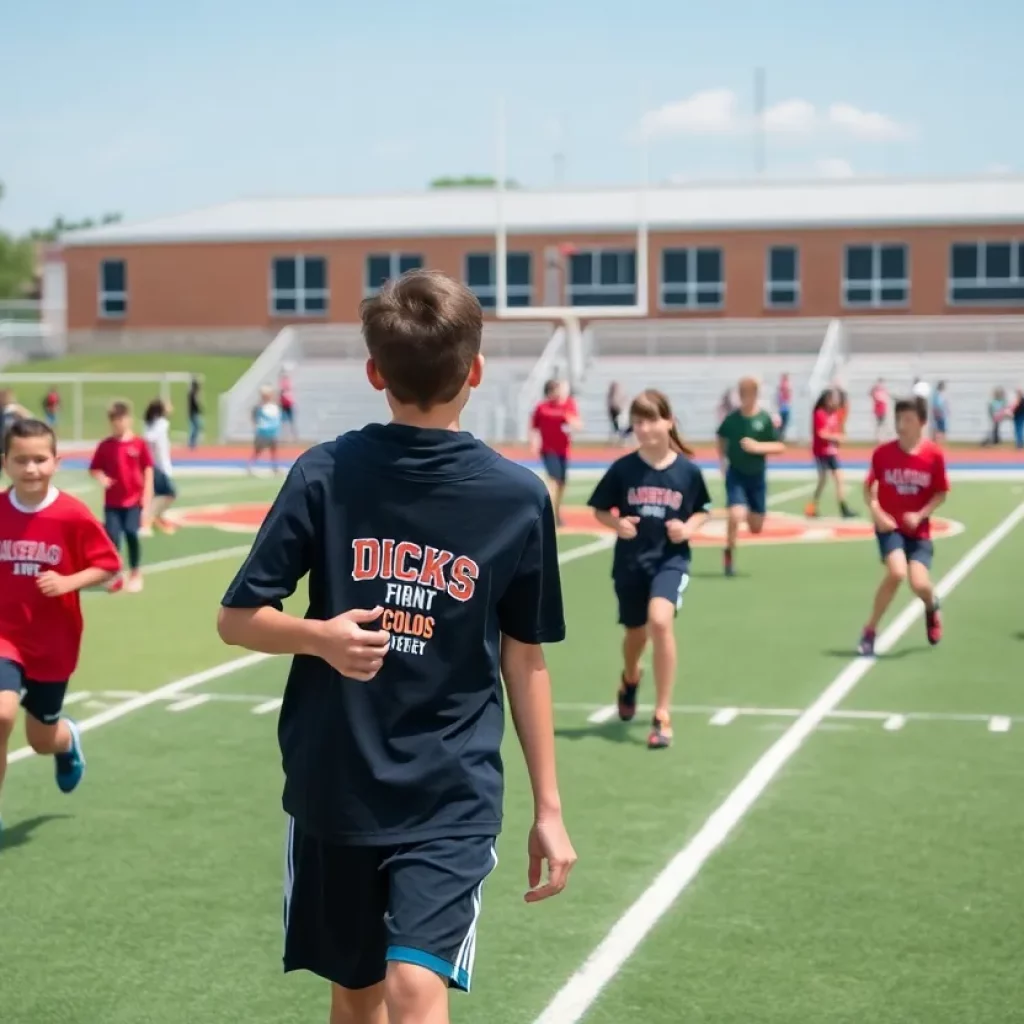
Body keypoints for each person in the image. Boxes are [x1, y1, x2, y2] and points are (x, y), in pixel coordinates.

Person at [216, 269, 576, 1024]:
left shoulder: (514, 498)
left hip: (450, 791)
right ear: (476, 372)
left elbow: (524, 656)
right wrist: (318, 637)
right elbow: (239, 616)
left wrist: (550, 806)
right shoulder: (326, 474)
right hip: (335, 784)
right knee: (356, 995)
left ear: (373, 370)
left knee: (415, 985)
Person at [0, 419, 121, 831]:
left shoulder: (71, 514)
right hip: (5, 636)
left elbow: (108, 564)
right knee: (0, 715)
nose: (30, 468)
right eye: (21, 460)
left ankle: (65, 739)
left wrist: (68, 581)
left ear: (56, 461)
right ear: (5, 463)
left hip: (54, 642)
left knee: (40, 740)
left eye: (39, 459)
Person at [587, 389, 712, 751]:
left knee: (660, 621)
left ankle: (662, 713)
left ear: (668, 421)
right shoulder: (624, 469)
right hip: (630, 562)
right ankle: (630, 678)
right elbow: (598, 509)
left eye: (651, 420)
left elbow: (703, 509)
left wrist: (688, 529)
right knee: (635, 636)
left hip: (670, 560)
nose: (644, 428)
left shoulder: (687, 472)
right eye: (637, 422)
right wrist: (616, 525)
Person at [857, 396, 949, 656]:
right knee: (897, 572)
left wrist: (920, 514)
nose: (902, 424)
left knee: (920, 584)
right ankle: (870, 631)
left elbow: (941, 493)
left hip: (918, 532)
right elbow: (868, 489)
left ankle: (931, 606)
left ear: (921, 422)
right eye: (898, 419)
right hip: (890, 528)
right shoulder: (883, 454)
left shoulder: (933, 456)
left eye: (908, 419)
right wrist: (877, 512)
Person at [716, 376, 786, 577]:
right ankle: (729, 551)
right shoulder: (732, 419)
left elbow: (780, 446)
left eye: (751, 393)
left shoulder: (763, 419)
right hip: (736, 474)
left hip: (757, 477)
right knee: (735, 514)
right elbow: (721, 438)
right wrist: (722, 462)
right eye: (743, 393)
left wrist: (758, 447)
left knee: (756, 527)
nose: (747, 397)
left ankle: (748, 510)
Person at [89, 400, 153, 594]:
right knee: (113, 538)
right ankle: (116, 572)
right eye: (114, 420)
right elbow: (94, 468)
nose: (118, 423)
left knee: (132, 534)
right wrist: (102, 478)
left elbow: (148, 471)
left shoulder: (139, 444)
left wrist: (147, 499)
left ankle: (135, 572)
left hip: (133, 502)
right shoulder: (105, 445)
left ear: (129, 420)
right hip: (112, 503)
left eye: (121, 419)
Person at [530, 379, 581, 526]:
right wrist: (533, 442)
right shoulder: (542, 407)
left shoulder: (568, 405)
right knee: (553, 481)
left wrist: (569, 419)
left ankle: (557, 513)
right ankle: (548, 515)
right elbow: (534, 426)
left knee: (562, 484)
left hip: (563, 450)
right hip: (548, 450)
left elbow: (578, 424)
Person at [805, 389, 855, 519]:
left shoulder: (834, 414)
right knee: (822, 481)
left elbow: (841, 423)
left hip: (832, 453)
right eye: (832, 399)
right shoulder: (819, 414)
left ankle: (843, 507)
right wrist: (837, 438)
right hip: (821, 453)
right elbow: (822, 433)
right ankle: (812, 507)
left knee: (839, 478)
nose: (834, 402)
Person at [142, 398, 178, 535]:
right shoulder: (161, 424)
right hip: (159, 465)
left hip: (157, 464)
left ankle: (157, 519)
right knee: (170, 493)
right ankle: (149, 521)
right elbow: (150, 438)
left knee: (159, 495)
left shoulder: (150, 424)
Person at [248, 385, 282, 475]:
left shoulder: (274, 406)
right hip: (263, 432)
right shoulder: (260, 406)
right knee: (258, 450)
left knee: (273, 450)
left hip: (273, 431)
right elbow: (254, 416)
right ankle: (250, 466)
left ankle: (275, 467)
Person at [279, 367, 298, 441]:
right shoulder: (282, 382)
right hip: (284, 403)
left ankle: (293, 435)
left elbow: (286, 391)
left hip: (288, 403)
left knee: (290, 420)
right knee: (285, 421)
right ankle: (286, 436)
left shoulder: (287, 382)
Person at [187, 377, 203, 449]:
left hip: (193, 413)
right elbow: (194, 404)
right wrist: (199, 410)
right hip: (193, 413)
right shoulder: (193, 394)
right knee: (195, 428)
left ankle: (192, 442)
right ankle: (191, 442)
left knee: (195, 427)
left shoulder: (192, 393)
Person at [775, 373, 792, 440]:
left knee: (783, 425)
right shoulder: (784, 385)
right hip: (783, 407)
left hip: (785, 407)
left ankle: (780, 437)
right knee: (782, 424)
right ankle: (779, 437)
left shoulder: (785, 385)